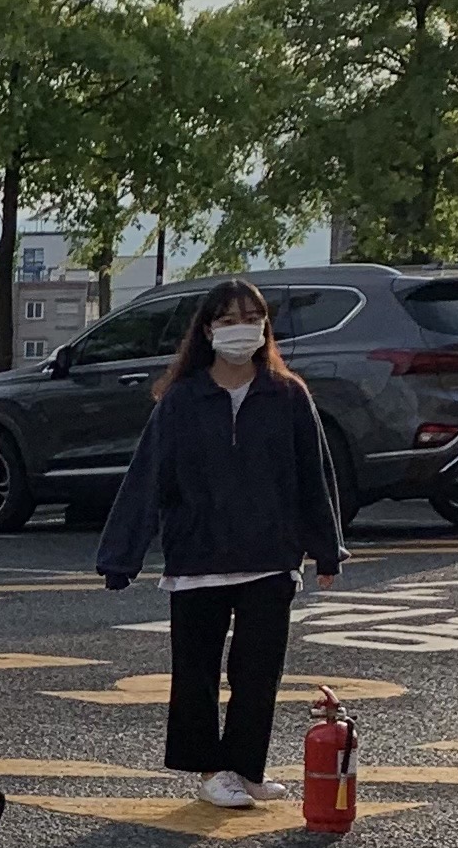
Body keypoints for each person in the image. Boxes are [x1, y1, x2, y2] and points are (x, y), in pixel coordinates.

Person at [95, 277, 345, 807]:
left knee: (259, 673)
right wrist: (121, 556)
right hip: (197, 558)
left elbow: (314, 476)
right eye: (228, 320)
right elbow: (147, 478)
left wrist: (326, 547)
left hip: (269, 558)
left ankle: (247, 767)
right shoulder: (182, 400)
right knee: (197, 673)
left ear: (265, 328)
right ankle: (211, 770)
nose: (241, 330)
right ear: (207, 331)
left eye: (251, 319)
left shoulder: (288, 395)